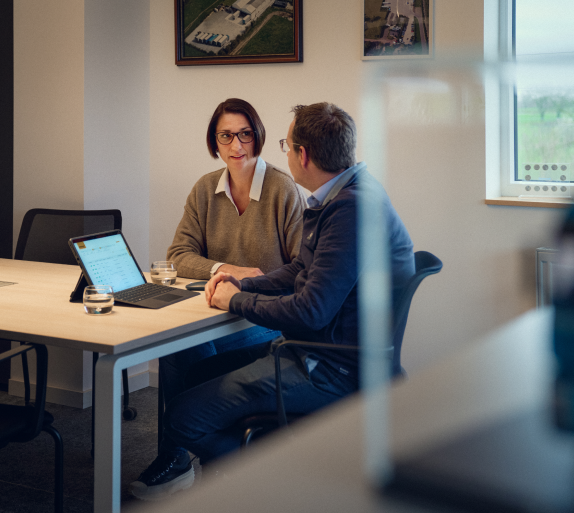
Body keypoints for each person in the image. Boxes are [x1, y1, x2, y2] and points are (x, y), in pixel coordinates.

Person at [129, 102, 414, 501]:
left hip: (327, 365)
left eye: (285, 143)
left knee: (180, 417)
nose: (238, 144)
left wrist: (236, 302)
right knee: (191, 379)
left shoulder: (347, 209)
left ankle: (271, 475)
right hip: (324, 351)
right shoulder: (345, 195)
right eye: (226, 135)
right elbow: (300, 268)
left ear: (303, 155)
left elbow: (311, 309)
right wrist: (243, 286)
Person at [146, 98, 305, 492]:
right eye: (227, 136)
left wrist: (252, 286)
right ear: (215, 142)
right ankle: (179, 456)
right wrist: (225, 269)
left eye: (246, 134)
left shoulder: (282, 190)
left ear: (258, 137)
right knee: (180, 347)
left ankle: (202, 452)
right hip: (214, 308)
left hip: (264, 318)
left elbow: (303, 270)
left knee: (201, 356)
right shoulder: (205, 189)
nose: (237, 146)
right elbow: (178, 255)